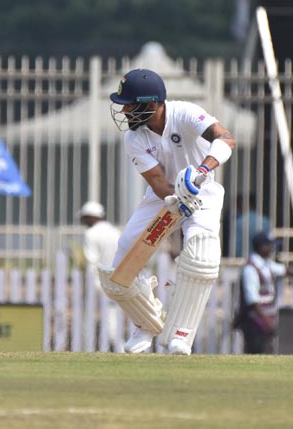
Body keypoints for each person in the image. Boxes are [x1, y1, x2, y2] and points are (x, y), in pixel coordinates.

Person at [99, 68, 235, 355]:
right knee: (118, 271)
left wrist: (200, 173)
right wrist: (175, 196)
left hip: (204, 192)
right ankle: (146, 323)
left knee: (202, 254)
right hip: (163, 198)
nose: (124, 111)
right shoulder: (134, 138)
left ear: (151, 104)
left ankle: (181, 335)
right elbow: (157, 181)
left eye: (129, 104)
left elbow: (226, 139)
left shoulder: (184, 113)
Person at [78, 200, 122, 350]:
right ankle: (117, 347)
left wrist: (91, 286)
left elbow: (92, 262)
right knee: (112, 315)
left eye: (84, 218)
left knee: (90, 315)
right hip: (117, 279)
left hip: (98, 282)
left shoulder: (90, 234)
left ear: (90, 216)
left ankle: (93, 346)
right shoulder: (114, 231)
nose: (83, 221)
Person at [234, 231, 284, 354]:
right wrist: (268, 322)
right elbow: (252, 301)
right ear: (262, 247)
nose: (272, 249)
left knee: (265, 353)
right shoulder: (251, 269)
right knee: (255, 353)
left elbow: (283, 270)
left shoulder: (265, 264)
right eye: (269, 245)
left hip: (263, 320)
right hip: (254, 322)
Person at [232, 193, 270, 259]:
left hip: (243, 259)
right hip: (263, 259)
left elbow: (235, 246)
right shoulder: (265, 221)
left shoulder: (239, 222)